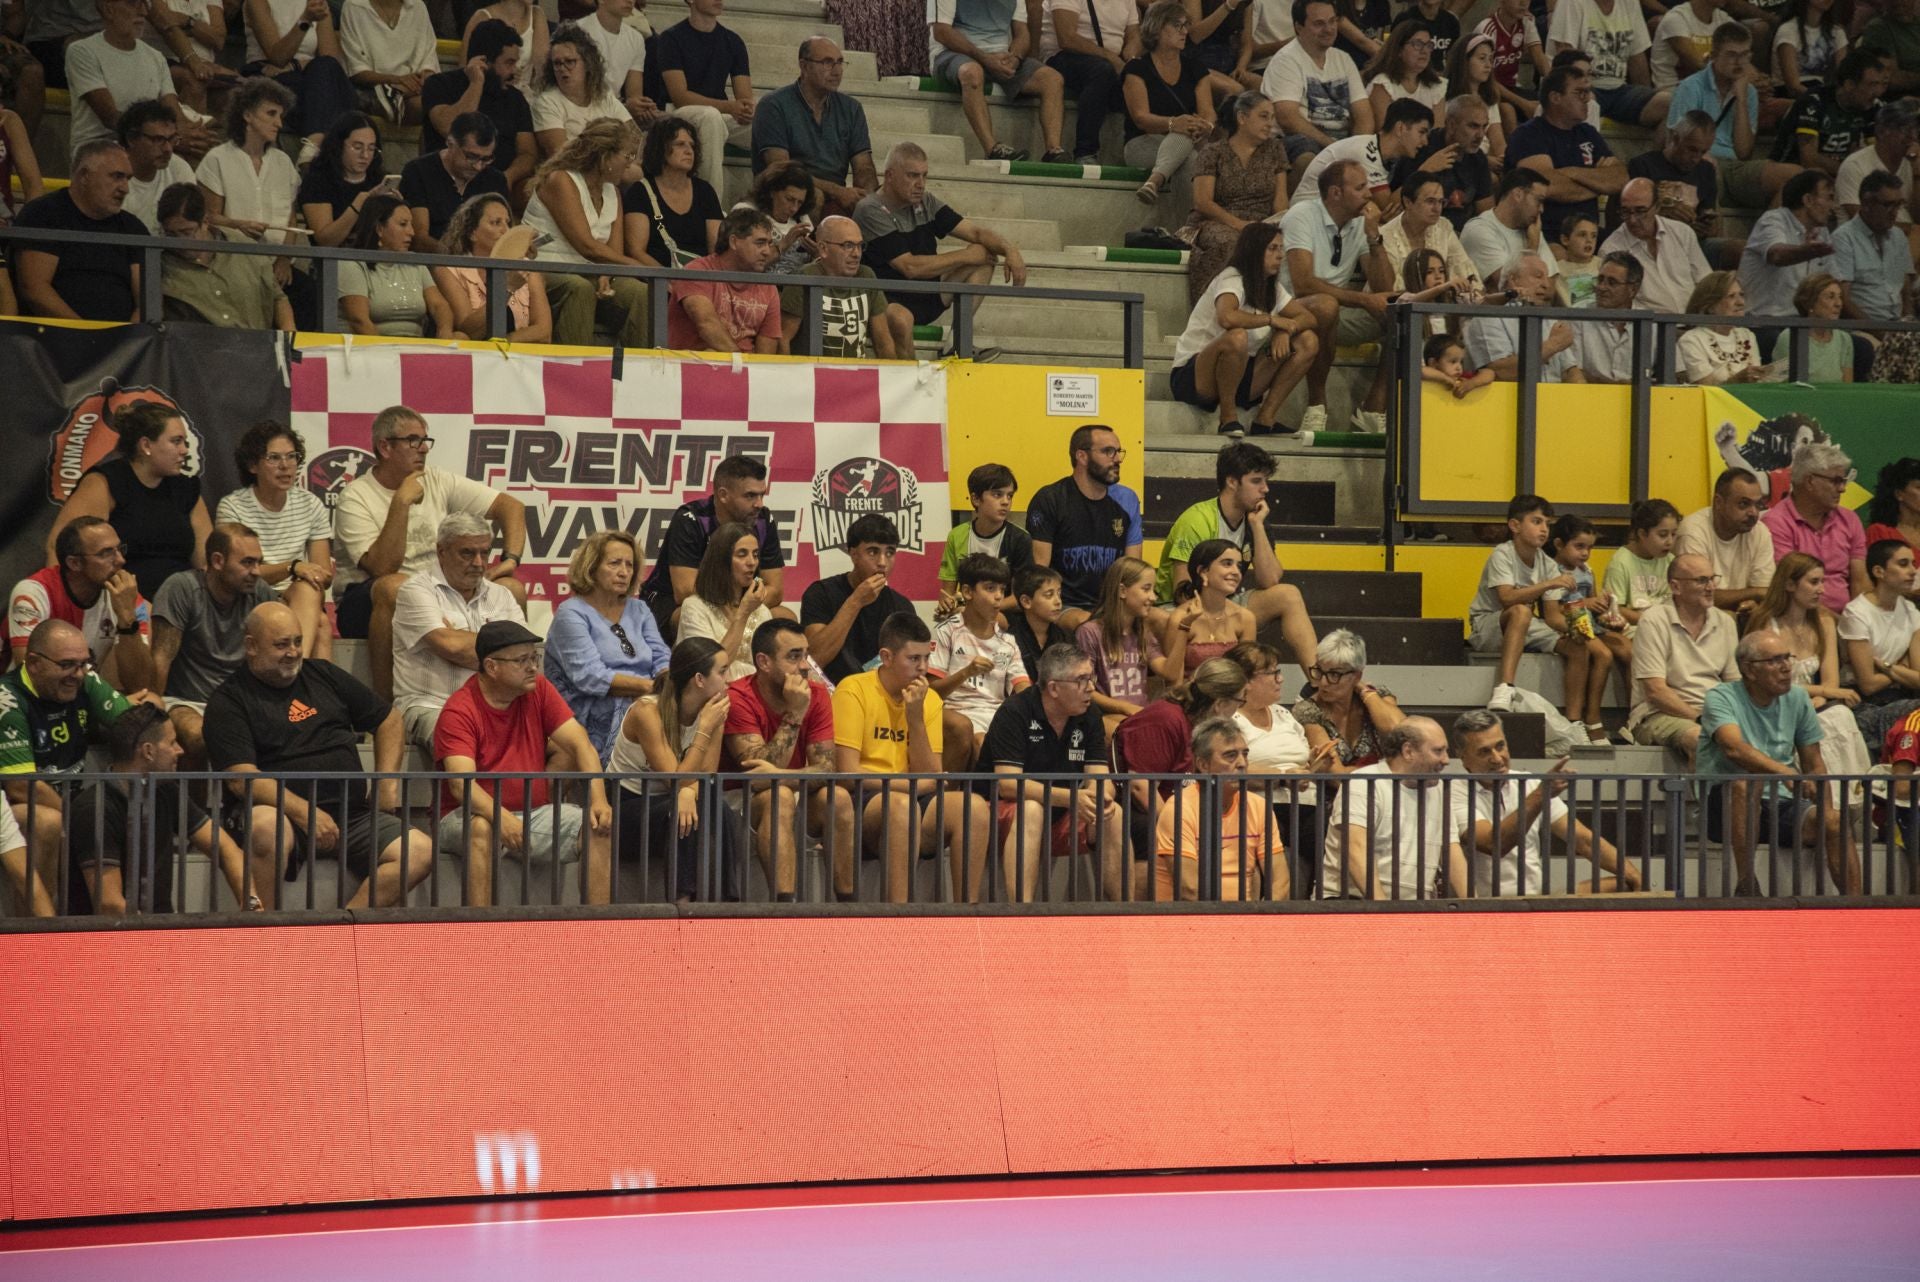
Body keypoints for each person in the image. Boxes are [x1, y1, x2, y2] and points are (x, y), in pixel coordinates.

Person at [202, 601, 430, 910]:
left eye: (297, 641)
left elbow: (388, 719)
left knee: (419, 851)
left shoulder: (323, 674)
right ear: (251, 646)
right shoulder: (228, 701)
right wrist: (305, 813)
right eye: (281, 644)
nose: (293, 652)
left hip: (352, 814)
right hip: (280, 815)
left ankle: (344, 924)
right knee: (266, 826)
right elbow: (241, 779)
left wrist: (386, 782)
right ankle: (264, 926)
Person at [331, 405, 528, 701]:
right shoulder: (356, 496)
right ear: (385, 447)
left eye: (425, 440)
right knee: (395, 586)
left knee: (512, 589)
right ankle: (386, 705)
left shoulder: (437, 480)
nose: (423, 448)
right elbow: (382, 568)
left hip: (436, 589)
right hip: (366, 601)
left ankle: (512, 697)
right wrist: (401, 503)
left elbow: (511, 506)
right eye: (413, 441)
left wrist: (510, 560)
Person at [431, 619, 614, 907]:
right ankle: (480, 926)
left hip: (532, 813)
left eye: (534, 658)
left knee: (596, 825)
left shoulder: (538, 689)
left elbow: (581, 744)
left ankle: (599, 925)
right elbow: (461, 786)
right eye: (522, 660)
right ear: (491, 667)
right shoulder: (459, 710)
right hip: (466, 816)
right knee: (482, 827)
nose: (532, 667)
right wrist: (500, 817)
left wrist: (599, 800)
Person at [832, 611, 993, 903]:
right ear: (886, 657)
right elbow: (847, 773)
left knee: (974, 807)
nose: (923, 668)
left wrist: (915, 718)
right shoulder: (853, 689)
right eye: (913, 659)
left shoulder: (927, 699)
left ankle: (968, 914)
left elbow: (931, 776)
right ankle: (902, 913)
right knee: (902, 806)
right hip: (865, 801)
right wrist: (913, 785)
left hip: (912, 796)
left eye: (926, 658)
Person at [1699, 630, 1860, 896]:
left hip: (1782, 803)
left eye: (1787, 658)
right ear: (1749, 670)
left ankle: (1857, 906)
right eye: (1774, 660)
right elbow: (1734, 749)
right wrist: (1784, 772)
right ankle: (1746, 885)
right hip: (1726, 806)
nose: (1786, 667)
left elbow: (1814, 763)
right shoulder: (1721, 697)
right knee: (1747, 784)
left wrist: (1825, 811)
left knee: (1835, 821)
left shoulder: (1797, 698)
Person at [0, 619, 138, 913]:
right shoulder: (8, 701)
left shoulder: (86, 679)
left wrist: (149, 712)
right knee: (47, 821)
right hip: (13, 808)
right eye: (66, 665)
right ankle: (37, 928)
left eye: (83, 664)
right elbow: (21, 787)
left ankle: (122, 924)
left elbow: (136, 728)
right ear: (34, 663)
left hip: (72, 800)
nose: (78, 675)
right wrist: (80, 821)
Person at [62, 701, 248, 915]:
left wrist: (251, 902)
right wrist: (155, 932)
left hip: (157, 925)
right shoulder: (94, 808)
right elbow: (110, 904)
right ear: (148, 751)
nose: (180, 750)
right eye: (172, 742)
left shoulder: (166, 790)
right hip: (112, 932)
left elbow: (224, 848)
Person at [1156, 441, 1321, 675]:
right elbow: (1182, 590)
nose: (1265, 489)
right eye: (1256, 481)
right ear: (1232, 482)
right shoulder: (1197, 520)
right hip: (1178, 608)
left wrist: (1257, 526)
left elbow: (1270, 580)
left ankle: (1318, 678)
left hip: (1224, 601)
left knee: (1288, 595)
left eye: (1266, 481)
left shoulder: (1255, 520)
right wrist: (1221, 617)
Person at [724, 618, 857, 901]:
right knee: (779, 796)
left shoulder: (816, 694)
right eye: (794, 657)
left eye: (806, 655)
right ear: (764, 662)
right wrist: (795, 714)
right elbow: (757, 779)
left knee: (838, 797)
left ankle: (848, 904)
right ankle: (786, 907)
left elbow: (827, 768)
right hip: (737, 804)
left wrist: (781, 777)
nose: (806, 666)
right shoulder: (738, 697)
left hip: (792, 789)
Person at [608, 636, 749, 902]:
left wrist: (687, 791)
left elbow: (706, 776)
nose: (728, 680)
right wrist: (704, 731)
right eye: (722, 672)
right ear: (699, 679)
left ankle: (724, 902)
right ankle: (681, 904)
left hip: (671, 801)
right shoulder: (647, 711)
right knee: (685, 810)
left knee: (716, 807)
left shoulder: (714, 712)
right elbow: (675, 780)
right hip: (626, 807)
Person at [856, 140, 1026, 356]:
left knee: (985, 255)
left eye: (924, 175)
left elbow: (976, 233)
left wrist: (1010, 250)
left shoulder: (925, 201)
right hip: (888, 299)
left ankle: (955, 345)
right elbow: (909, 267)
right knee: (900, 318)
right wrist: (966, 255)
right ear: (889, 176)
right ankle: (910, 376)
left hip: (927, 293)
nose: (920, 184)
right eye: (912, 176)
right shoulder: (870, 209)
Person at [982, 642, 1123, 901]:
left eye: (1091, 678)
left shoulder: (1089, 713)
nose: (1091, 687)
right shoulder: (1015, 711)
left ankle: (1123, 911)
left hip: (1061, 810)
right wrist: (1072, 798)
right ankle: (1023, 912)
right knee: (1031, 809)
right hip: (1000, 814)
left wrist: (1099, 796)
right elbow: (1008, 784)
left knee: (1112, 814)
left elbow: (1099, 775)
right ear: (1054, 688)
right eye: (1081, 680)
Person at [1449, 710, 1638, 897]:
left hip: (1535, 901)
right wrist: (1541, 794)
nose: (1497, 759)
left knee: (1626, 883)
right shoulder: (1453, 792)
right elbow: (1494, 845)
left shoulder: (1530, 784)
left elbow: (1583, 840)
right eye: (1484, 752)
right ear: (1463, 757)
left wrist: (1636, 877)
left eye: (1500, 746)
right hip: (1484, 907)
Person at [391, 512, 529, 753]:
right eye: (467, 553)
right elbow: (451, 647)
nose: (479, 563)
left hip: (495, 707)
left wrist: (458, 637)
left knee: (564, 747)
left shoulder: (501, 595)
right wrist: (500, 651)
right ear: (441, 552)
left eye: (484, 553)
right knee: (465, 738)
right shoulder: (416, 591)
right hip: (432, 706)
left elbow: (521, 658)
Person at [45, 400, 210, 601]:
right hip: (122, 603)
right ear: (146, 445)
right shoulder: (105, 482)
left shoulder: (187, 488)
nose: (184, 450)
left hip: (182, 604)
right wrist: (64, 604)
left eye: (184, 442)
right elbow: (59, 546)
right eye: (176, 441)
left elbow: (206, 563)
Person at [1168, 222, 1323, 436]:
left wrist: (1285, 331)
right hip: (1194, 375)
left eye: (1281, 249)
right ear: (1254, 251)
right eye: (1272, 249)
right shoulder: (1232, 278)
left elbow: (1308, 318)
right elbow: (1227, 317)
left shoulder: (1271, 287)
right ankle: (1228, 418)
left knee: (1308, 340)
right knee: (1236, 337)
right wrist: (1272, 321)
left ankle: (1265, 419)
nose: (1280, 256)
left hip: (1239, 372)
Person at [1281, 158, 1395, 433]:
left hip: (1337, 311)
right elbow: (1303, 284)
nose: (1369, 194)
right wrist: (1364, 300)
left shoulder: (1360, 223)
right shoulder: (1301, 215)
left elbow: (1383, 285)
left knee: (1403, 314)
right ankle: (1316, 405)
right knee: (1326, 305)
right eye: (1360, 188)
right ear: (1335, 193)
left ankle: (1373, 407)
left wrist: (1374, 237)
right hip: (1291, 309)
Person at [149, 522, 275, 765]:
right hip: (186, 701)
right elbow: (161, 658)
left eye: (259, 562)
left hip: (238, 702)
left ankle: (242, 791)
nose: (257, 571)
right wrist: (154, 717)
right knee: (201, 737)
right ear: (218, 561)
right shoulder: (182, 588)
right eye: (247, 563)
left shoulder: (260, 593)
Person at [523, 117, 652, 349]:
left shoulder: (613, 192)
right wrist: (638, 266)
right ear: (605, 156)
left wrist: (605, 274)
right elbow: (586, 246)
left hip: (587, 272)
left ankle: (639, 366)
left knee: (639, 292)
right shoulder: (561, 180)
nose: (630, 164)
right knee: (579, 288)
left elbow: (613, 254)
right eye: (627, 156)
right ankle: (575, 367)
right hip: (546, 269)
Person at [1747, 551, 1873, 786]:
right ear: (1789, 584)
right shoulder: (1765, 623)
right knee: (1825, 720)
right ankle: (1818, 793)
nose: (1821, 590)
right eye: (1814, 582)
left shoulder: (1824, 622)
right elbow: (1768, 683)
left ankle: (1849, 795)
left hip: (1813, 704)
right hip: (1774, 703)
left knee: (1840, 715)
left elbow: (1831, 682)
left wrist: (1820, 698)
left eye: (1822, 582)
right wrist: (1822, 693)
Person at [544, 529, 670, 761]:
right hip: (590, 708)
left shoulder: (639, 609)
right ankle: (677, 779)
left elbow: (661, 656)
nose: (624, 572)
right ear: (591, 567)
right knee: (647, 713)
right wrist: (651, 689)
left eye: (629, 565)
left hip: (646, 698)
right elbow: (590, 677)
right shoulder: (571, 613)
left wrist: (668, 682)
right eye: (614, 563)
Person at [213, 424, 334, 662]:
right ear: (253, 466)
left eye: (291, 457)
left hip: (297, 596)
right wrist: (292, 567)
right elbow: (237, 574)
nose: (285, 465)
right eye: (274, 458)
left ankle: (294, 667)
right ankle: (297, 671)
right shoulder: (233, 507)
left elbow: (323, 574)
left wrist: (311, 574)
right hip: (249, 596)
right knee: (320, 624)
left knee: (309, 589)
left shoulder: (310, 504)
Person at [1320, 716, 1464, 899]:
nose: (1446, 760)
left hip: (1415, 905)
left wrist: (1476, 906)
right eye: (1438, 751)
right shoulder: (1362, 782)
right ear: (1408, 751)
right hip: (1352, 901)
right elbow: (1356, 851)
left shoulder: (1439, 790)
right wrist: (1384, 909)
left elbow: (1451, 852)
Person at [639, 455, 790, 625]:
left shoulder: (763, 520)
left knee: (784, 617)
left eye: (762, 495)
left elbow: (775, 590)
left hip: (738, 600)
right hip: (671, 602)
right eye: (750, 496)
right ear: (723, 495)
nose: (759, 504)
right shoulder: (691, 519)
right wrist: (736, 609)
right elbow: (685, 592)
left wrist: (741, 609)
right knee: (690, 616)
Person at [7, 516, 153, 691]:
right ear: (74, 563)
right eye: (106, 553)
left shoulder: (125, 596)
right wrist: (101, 700)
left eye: (120, 549)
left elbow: (139, 684)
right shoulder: (34, 592)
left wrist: (127, 618)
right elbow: (31, 674)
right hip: (30, 698)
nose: (121, 560)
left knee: (153, 701)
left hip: (84, 695)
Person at [1151, 716, 1287, 901]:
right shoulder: (1179, 809)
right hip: (1190, 916)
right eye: (1230, 755)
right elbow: (1190, 889)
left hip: (1245, 915)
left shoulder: (1259, 806)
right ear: (1203, 765)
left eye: (1245, 754)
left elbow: (1280, 882)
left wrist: (1262, 915)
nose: (1242, 763)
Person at [1667, 24, 1797, 216]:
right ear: (1714, 55)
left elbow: (1743, 152)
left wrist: (1741, 98)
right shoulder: (1690, 87)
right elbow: (1675, 144)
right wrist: (1704, 157)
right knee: (1708, 166)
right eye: (1731, 55)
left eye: (1744, 55)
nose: (1739, 62)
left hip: (1734, 166)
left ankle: (1766, 231)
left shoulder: (1748, 92)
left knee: (1796, 177)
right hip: (1698, 163)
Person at [12, 140, 145, 322]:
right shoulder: (43, 215)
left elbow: (146, 301)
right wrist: (85, 333)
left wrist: (131, 337)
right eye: (116, 176)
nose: (125, 188)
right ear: (84, 175)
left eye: (127, 179)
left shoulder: (133, 228)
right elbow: (34, 289)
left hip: (125, 337)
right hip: (51, 336)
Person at [1470, 494, 1579, 712]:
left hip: (1526, 625)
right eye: (1537, 522)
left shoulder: (1547, 564)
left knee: (1580, 647)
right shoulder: (1502, 554)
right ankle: (1505, 688)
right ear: (1515, 526)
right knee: (1520, 611)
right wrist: (1549, 584)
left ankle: (1576, 719)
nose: (1544, 529)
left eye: (1547, 523)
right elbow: (1507, 598)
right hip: (1488, 626)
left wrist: (1577, 629)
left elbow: (1553, 617)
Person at [1181, 90, 1291, 305]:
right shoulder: (1213, 152)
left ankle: (1269, 307)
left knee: (1287, 244)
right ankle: (1213, 307)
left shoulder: (1275, 149)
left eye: (1272, 118)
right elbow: (1203, 202)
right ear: (1242, 118)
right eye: (1263, 116)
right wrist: (1240, 225)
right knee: (1233, 243)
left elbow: (1280, 201)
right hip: (1217, 221)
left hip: (1262, 222)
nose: (1270, 124)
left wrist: (1278, 227)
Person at [64, 0, 210, 161]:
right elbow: (111, 118)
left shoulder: (156, 57)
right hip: (99, 151)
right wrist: (169, 139)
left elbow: (175, 114)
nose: (143, 12)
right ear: (108, 9)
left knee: (204, 145)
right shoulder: (82, 51)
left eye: (145, 4)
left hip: (151, 147)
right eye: (133, 3)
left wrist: (187, 136)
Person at [1626, 552, 1741, 755]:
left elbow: (1734, 685)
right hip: (1660, 714)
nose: (1711, 587)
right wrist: (1700, 718)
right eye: (1701, 580)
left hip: (1715, 713)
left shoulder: (1725, 622)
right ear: (1675, 586)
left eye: (1712, 579)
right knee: (1701, 740)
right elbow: (1655, 692)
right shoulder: (1654, 620)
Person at [1025, 424, 1140, 626]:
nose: (1117, 459)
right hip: (1064, 604)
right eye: (1108, 451)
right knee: (1092, 625)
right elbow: (1039, 572)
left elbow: (1132, 570)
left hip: (1111, 605)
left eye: (1118, 451)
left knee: (1166, 621)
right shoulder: (1051, 499)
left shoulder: (1127, 499)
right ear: (1082, 456)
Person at [930, 0, 1071, 162]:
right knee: (972, 73)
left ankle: (1053, 150)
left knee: (1052, 79)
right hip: (953, 53)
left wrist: (1015, 58)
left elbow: (1022, 33)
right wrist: (984, 58)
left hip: (1000, 55)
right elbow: (942, 32)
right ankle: (992, 149)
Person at [751, 37, 876, 217]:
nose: (837, 71)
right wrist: (837, 191)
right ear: (804, 66)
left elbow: (864, 166)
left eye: (840, 62)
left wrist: (867, 197)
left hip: (835, 195)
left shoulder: (851, 108)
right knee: (814, 196)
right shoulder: (773, 105)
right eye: (827, 62)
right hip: (784, 192)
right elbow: (782, 169)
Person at [929, 552, 1031, 771]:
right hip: (956, 711)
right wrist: (966, 672)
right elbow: (932, 692)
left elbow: (1023, 689)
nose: (998, 597)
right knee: (978, 739)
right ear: (967, 592)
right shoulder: (947, 632)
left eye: (1002, 589)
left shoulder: (1008, 643)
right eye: (990, 588)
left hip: (997, 715)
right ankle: (953, 790)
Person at [1112, 657, 1249, 812]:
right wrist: (1175, 824)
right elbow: (1140, 786)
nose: (1238, 709)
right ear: (1220, 704)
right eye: (1240, 702)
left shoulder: (1202, 725)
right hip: (1142, 815)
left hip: (1184, 812)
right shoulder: (1165, 719)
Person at [1506, 64, 1625, 240]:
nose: (1587, 99)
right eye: (1579, 93)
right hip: (1546, 235)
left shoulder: (1588, 133)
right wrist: (1598, 185)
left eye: (1588, 92)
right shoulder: (1529, 134)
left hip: (1590, 235)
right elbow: (1546, 186)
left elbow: (1620, 178)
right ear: (1555, 97)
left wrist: (1572, 172)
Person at [154, 182, 293, 332]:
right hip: (193, 344)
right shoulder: (160, 260)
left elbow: (278, 298)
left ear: (205, 222)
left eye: (186, 232)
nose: (179, 242)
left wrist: (290, 336)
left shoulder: (243, 247)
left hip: (251, 341)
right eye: (171, 234)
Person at [420, 18, 536, 195]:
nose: (514, 71)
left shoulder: (515, 99)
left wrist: (507, 177)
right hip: (447, 184)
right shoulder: (440, 85)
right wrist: (476, 83)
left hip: (498, 186)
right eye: (509, 63)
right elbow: (448, 128)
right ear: (484, 61)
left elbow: (528, 153)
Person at [1263, 0, 1373, 184]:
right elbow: (1288, 119)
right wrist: (1334, 147)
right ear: (1299, 27)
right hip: (1298, 141)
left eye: (1332, 21)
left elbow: (1364, 115)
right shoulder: (1285, 60)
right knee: (1307, 155)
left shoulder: (1343, 59)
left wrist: (1355, 148)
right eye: (1319, 23)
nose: (1328, 29)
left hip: (1341, 143)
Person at [1539, 512, 1624, 742]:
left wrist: (1606, 613)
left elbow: (1594, 605)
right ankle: (1593, 717)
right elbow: (1554, 611)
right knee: (1604, 655)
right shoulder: (1552, 572)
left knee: (1628, 649)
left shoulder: (1587, 571)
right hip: (1572, 625)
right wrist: (1586, 604)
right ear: (1559, 544)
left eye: (1589, 547)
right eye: (1579, 546)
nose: (1585, 553)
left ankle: (1634, 716)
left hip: (1591, 624)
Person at [1121, 1, 1215, 206]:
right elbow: (1140, 118)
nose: (1184, 32)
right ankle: (1191, 223)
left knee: (1188, 154)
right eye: (1177, 25)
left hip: (1188, 141)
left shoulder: (1196, 68)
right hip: (1142, 142)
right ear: (1157, 27)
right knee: (1189, 153)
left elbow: (1208, 111)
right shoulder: (1137, 68)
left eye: (1186, 25)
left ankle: (1154, 182)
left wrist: (1205, 125)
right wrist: (1173, 123)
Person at [656, 0, 756, 192]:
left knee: (770, 125)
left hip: (719, 116)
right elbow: (680, 97)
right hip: (679, 113)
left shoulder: (733, 40)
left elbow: (744, 97)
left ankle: (772, 197)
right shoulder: (671, 38)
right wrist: (729, 107)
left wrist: (747, 110)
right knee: (710, 117)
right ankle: (710, 202)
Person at [802, 514, 915, 683]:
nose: (882, 562)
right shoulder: (821, 593)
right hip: (832, 691)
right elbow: (814, 661)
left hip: (881, 693)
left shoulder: (902, 606)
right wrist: (856, 601)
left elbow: (908, 668)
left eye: (889, 552)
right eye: (873, 552)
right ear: (853, 554)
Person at [240, 0, 358, 160]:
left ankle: (313, 144)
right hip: (270, 76)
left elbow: (330, 60)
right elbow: (278, 57)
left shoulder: (316, 2)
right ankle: (318, 151)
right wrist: (305, 19)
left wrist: (296, 65)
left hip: (310, 75)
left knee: (326, 71)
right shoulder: (257, 2)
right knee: (332, 96)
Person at [430, 191, 554, 343]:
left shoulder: (525, 266)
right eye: (496, 223)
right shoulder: (449, 270)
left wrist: (502, 344)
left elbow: (544, 332)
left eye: (507, 223)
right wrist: (507, 288)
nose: (506, 230)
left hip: (517, 353)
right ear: (472, 233)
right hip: (476, 353)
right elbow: (469, 331)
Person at [1764, 441, 1870, 613]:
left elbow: (1860, 582)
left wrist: (1858, 621)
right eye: (1836, 481)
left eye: (1843, 481)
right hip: (1799, 617)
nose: (1842, 489)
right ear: (1810, 481)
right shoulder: (1776, 523)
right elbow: (1791, 590)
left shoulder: (1849, 519)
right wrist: (1836, 621)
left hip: (1849, 618)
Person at [778, 214, 899, 358]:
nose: (856, 254)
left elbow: (883, 342)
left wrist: (891, 371)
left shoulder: (866, 276)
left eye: (860, 246)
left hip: (857, 370)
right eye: (848, 246)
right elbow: (783, 338)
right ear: (823, 249)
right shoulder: (805, 277)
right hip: (813, 370)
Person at [666, 204, 783, 352]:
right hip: (696, 362)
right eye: (760, 243)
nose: (767, 251)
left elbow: (767, 350)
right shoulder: (697, 271)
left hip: (745, 363)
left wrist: (746, 365)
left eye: (769, 244)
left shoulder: (768, 287)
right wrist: (740, 362)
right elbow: (706, 324)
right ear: (734, 242)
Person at [1838, 539, 1920, 745]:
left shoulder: (1910, 610)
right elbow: (1868, 684)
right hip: (1865, 704)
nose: (1913, 571)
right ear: (1879, 571)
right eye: (1903, 564)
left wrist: (1887, 666)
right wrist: (1903, 668)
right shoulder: (1857, 613)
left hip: (1903, 696)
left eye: (1913, 564)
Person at [338, 193, 455, 337]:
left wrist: (445, 330)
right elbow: (359, 321)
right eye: (403, 224)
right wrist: (387, 349)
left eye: (411, 225)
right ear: (379, 229)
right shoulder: (352, 263)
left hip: (413, 345)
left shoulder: (415, 262)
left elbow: (439, 305)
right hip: (370, 346)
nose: (412, 232)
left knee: (460, 337)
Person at [1040, 0, 1139, 164]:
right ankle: (1085, 151)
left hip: (1109, 61)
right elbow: (1067, 38)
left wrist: (1131, 56)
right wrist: (1111, 57)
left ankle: (1136, 151)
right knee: (1102, 71)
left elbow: (1134, 34)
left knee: (1140, 75)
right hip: (1063, 57)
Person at [1546, 0, 1671, 126]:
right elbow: (1565, 59)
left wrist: (1645, 95)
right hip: (1585, 86)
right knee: (1587, 103)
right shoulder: (1570, 3)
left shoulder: (1630, 3)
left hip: (1621, 91)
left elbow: (1637, 57)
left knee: (1671, 104)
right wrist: (1584, 91)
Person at [676, 520, 774, 680]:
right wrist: (743, 613)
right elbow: (709, 669)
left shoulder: (761, 612)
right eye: (742, 554)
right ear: (721, 560)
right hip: (712, 692)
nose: (752, 562)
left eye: (755, 555)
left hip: (753, 693)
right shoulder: (694, 608)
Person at [401, 112, 511, 252]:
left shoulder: (495, 180)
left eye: (486, 159)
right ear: (451, 144)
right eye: (471, 156)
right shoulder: (418, 171)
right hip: (435, 259)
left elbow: (504, 231)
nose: (478, 167)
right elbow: (419, 238)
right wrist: (456, 258)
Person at [1464, 253, 1584, 382]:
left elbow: (1570, 371)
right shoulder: (1488, 318)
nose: (1546, 285)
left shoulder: (1549, 319)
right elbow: (1502, 373)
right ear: (1513, 280)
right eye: (1538, 276)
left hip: (1555, 394)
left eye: (1547, 278)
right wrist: (1553, 345)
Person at [1600, 177, 1711, 315]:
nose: (1632, 220)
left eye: (1640, 211)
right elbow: (1618, 306)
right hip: (1650, 325)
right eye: (1626, 212)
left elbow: (1705, 282)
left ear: (1657, 207)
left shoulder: (1682, 232)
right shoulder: (1611, 249)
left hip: (1695, 320)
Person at [1626, 110, 1728, 260]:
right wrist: (1663, 212)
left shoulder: (1706, 171)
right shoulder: (1642, 165)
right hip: (1652, 243)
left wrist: (1703, 227)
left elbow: (1711, 222)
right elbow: (1630, 217)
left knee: (1737, 250)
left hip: (1691, 244)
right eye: (1692, 149)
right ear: (1675, 138)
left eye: (1703, 152)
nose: (1696, 158)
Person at [623, 115, 722, 267]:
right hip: (656, 276)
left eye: (692, 145)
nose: (689, 151)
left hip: (700, 275)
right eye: (680, 144)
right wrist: (667, 278)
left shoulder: (705, 191)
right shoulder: (639, 192)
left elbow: (716, 249)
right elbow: (636, 251)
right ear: (661, 148)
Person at [1773, 47, 1886, 176]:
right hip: (1791, 173)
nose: (1878, 92)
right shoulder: (1814, 102)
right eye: (1872, 85)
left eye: (1880, 84)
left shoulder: (1872, 106)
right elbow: (1808, 159)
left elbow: (1876, 154)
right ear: (1849, 85)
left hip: (1835, 175)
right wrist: (1852, 171)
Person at [530, 22, 629, 161]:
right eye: (557, 63)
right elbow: (560, 156)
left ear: (588, 63)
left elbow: (634, 141)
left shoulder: (605, 96)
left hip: (615, 165)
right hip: (573, 169)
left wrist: (628, 160)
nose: (562, 68)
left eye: (569, 61)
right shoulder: (547, 102)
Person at [940, 465, 1032, 609]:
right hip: (966, 613)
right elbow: (947, 593)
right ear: (976, 499)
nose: (1006, 502)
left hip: (1004, 615)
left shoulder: (1020, 539)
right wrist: (947, 604)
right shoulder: (956, 536)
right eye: (997, 495)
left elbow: (1021, 597)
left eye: (1010, 496)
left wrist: (983, 609)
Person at [1830, 170, 1917, 323]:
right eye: (1888, 205)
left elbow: (1905, 288)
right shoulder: (1843, 238)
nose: (1895, 212)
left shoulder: (1898, 236)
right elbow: (1842, 298)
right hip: (1861, 327)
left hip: (1897, 325)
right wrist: (1880, 333)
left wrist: (1908, 323)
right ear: (1866, 204)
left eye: (1898, 205)